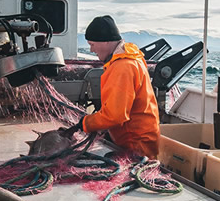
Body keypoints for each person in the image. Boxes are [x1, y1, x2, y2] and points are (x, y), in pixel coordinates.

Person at [68, 14, 161, 158]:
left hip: (136, 146)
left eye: (92, 44)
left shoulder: (123, 66)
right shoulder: (130, 57)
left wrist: (86, 123)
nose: (91, 50)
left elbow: (115, 116)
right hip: (140, 139)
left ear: (105, 42)